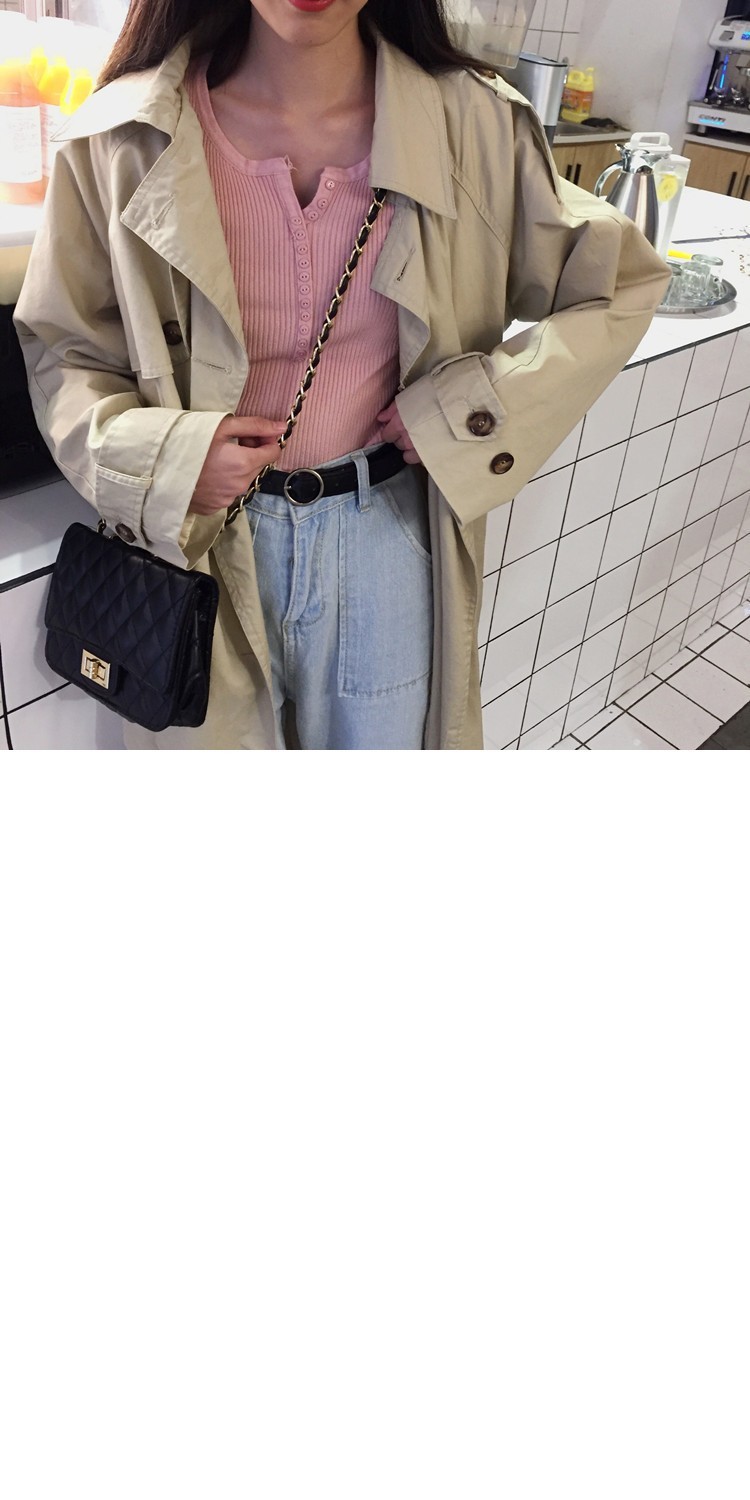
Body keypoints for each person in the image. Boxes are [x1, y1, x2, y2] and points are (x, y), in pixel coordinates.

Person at [14, 0, 671, 751]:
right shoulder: (121, 137)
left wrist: (468, 413)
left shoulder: (473, 127)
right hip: (198, 546)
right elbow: (65, 348)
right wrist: (167, 461)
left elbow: (620, 281)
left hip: (384, 536)